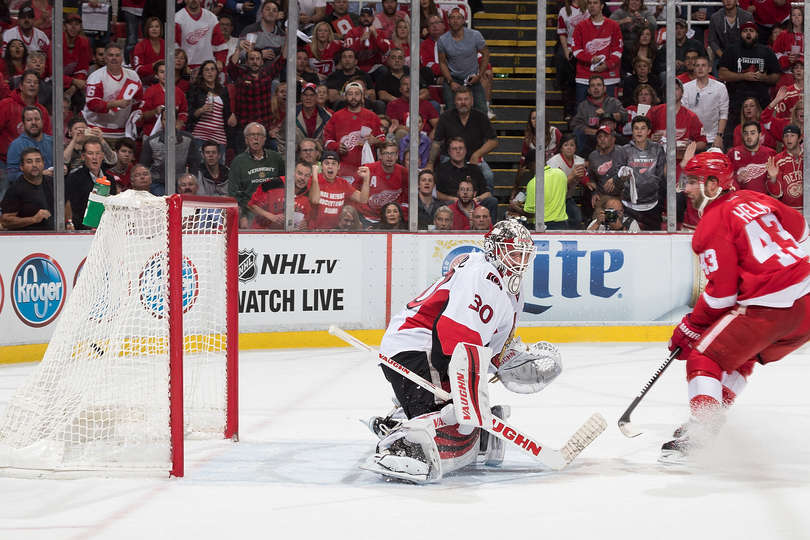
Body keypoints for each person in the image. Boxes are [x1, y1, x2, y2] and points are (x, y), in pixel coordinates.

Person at [365, 220, 557, 483]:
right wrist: (468, 401)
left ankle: (409, 417)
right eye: (513, 252)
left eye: (524, 254)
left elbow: (490, 346)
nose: (519, 261)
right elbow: (453, 339)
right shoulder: (484, 275)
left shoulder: (509, 288)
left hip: (431, 349)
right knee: (455, 423)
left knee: (463, 422)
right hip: (416, 349)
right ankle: (403, 444)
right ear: (494, 251)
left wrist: (513, 361)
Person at [663, 151, 810, 462]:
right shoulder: (755, 198)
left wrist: (692, 325)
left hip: (771, 306)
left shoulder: (712, 224)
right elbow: (800, 229)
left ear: (714, 184)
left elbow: (722, 295)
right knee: (742, 355)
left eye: (692, 181)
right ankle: (710, 418)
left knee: (704, 356)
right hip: (806, 303)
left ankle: (702, 432)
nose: (686, 188)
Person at [718, 21, 781, 148]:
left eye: (751, 31)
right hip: (736, 102)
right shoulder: (732, 49)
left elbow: (776, 76)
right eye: (745, 31)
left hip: (761, 102)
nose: (748, 33)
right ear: (740, 34)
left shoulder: (766, 51)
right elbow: (722, 74)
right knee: (733, 139)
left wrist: (764, 78)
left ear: (756, 34)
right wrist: (743, 76)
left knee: (765, 138)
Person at [430, 86, 498, 190]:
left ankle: (485, 204)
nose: (463, 102)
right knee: (445, 178)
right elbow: (436, 142)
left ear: (472, 101)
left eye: (466, 99)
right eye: (459, 99)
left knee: (488, 176)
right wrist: (430, 163)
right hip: (450, 157)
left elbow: (493, 141)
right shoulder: (445, 117)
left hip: (474, 158)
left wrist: (477, 154)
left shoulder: (481, 117)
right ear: (454, 102)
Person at [322, 81, 384, 180]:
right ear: (345, 97)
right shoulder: (337, 116)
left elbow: (382, 140)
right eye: (350, 94)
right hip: (342, 169)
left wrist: (375, 141)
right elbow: (327, 140)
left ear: (362, 96)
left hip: (366, 167)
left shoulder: (371, 116)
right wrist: (336, 146)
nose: (353, 97)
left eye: (357, 94)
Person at [82, 44, 143, 140]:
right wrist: (115, 103)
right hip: (96, 130)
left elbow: (138, 100)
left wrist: (135, 116)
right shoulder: (96, 77)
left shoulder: (133, 76)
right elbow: (92, 104)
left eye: (117, 55)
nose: (114, 58)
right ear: (105, 58)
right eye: (111, 55)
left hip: (122, 132)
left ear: (122, 58)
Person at [229, 122, 285, 226]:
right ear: (246, 140)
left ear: (264, 139)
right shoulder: (238, 162)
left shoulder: (276, 158)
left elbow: (284, 183)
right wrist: (242, 216)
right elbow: (234, 194)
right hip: (250, 213)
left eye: (259, 135)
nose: (256, 138)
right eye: (252, 135)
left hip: (275, 212)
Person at [437, 7, 490, 114]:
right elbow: (442, 62)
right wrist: (450, 81)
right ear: (448, 20)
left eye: (459, 18)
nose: (455, 20)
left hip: (472, 78)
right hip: (453, 78)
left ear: (463, 20)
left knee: (482, 111)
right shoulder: (442, 40)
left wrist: (479, 75)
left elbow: (486, 54)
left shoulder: (475, 35)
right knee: (450, 111)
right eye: (452, 17)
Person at [571, 0, 623, 102]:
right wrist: (590, 59)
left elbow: (618, 50)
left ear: (602, 6)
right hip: (585, 76)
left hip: (609, 76)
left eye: (595, 3)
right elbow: (576, 50)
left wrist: (607, 64)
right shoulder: (580, 26)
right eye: (589, 3)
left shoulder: (614, 26)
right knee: (582, 111)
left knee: (610, 111)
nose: (592, 6)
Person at [620, 115, 666, 230]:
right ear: (632, 131)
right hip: (628, 206)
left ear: (649, 131)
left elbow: (661, 174)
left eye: (642, 128)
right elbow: (620, 175)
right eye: (636, 128)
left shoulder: (657, 149)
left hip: (652, 204)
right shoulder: (624, 150)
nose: (639, 131)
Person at [434, 136, 497, 220]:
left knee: (492, 201)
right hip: (452, 204)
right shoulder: (441, 169)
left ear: (465, 150)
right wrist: (453, 199)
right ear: (449, 152)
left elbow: (487, 193)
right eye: (454, 149)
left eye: (461, 148)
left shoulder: (475, 169)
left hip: (474, 205)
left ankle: (490, 231)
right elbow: (436, 194)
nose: (458, 151)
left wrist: (476, 199)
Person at [247, 161, 319, 230]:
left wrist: (306, 224)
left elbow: (311, 220)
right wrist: (271, 216)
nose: (303, 178)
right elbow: (251, 205)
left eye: (307, 175)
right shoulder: (273, 184)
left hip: (290, 237)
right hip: (262, 233)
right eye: (299, 173)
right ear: (291, 173)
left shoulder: (310, 193)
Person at [65, 137, 117, 231]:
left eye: (97, 153)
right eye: (90, 153)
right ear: (83, 156)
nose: (94, 157)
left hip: (106, 230)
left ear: (102, 156)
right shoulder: (74, 178)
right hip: (81, 230)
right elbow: (72, 207)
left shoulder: (110, 180)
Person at [186, 59, 235, 158]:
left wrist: (231, 117)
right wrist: (201, 110)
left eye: (212, 69)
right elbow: (189, 114)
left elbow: (227, 113)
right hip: (200, 135)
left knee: (219, 168)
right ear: (202, 73)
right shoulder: (195, 90)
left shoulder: (223, 90)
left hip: (219, 136)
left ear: (217, 73)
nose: (210, 72)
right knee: (200, 167)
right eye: (206, 70)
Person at [570, 75, 627, 159]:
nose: (596, 88)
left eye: (599, 85)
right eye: (593, 86)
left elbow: (625, 116)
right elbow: (575, 125)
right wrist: (596, 132)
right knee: (578, 135)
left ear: (604, 88)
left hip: (611, 136)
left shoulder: (613, 102)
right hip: (591, 138)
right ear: (589, 90)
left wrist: (607, 115)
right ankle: (581, 161)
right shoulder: (583, 105)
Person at [310, 150, 369, 229]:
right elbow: (315, 200)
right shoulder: (314, 180)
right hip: (314, 231)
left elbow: (363, 199)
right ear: (321, 166)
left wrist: (366, 180)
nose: (330, 166)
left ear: (338, 167)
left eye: (334, 163)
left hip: (336, 231)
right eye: (326, 163)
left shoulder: (343, 183)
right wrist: (315, 176)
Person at [353, 141, 408, 225]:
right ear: (380, 156)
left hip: (391, 219)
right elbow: (353, 192)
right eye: (386, 153)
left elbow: (407, 199)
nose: (389, 157)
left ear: (397, 156)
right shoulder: (368, 169)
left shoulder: (404, 172)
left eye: (392, 153)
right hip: (368, 218)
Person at [682, 55, 729, 150]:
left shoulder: (720, 87)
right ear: (694, 69)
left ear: (709, 69)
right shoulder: (685, 88)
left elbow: (723, 114)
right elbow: (684, 114)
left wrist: (719, 136)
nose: (700, 68)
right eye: (697, 65)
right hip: (692, 139)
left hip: (714, 138)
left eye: (703, 65)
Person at [0, 147, 52, 230]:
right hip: (26, 238)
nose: (34, 165)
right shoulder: (15, 189)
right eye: (29, 162)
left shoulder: (52, 182)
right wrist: (33, 219)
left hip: (54, 236)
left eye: (38, 161)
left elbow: (66, 203)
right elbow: (5, 221)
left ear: (43, 164)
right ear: (21, 167)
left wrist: (68, 222)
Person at [140, 60, 189, 139]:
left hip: (174, 135)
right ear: (156, 75)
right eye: (162, 72)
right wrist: (155, 111)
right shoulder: (150, 91)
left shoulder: (179, 92)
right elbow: (142, 116)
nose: (165, 75)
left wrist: (180, 123)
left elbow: (184, 112)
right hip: (152, 135)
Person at [175, 0, 229, 70]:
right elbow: (174, 48)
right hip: (186, 67)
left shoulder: (211, 17)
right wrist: (181, 66)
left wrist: (220, 61)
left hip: (208, 66)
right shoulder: (177, 19)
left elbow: (219, 44)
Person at [726, 121, 775, 194]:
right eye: (746, 133)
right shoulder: (732, 153)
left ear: (759, 135)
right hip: (740, 200)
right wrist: (737, 179)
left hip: (763, 201)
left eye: (752, 133)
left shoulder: (770, 154)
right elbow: (725, 179)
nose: (749, 137)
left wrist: (773, 178)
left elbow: (776, 186)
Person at [6, 106, 52, 182]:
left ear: (42, 121)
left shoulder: (52, 141)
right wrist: (39, 174)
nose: (33, 122)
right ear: (23, 124)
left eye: (37, 119)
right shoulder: (16, 145)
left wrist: (64, 168)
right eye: (29, 120)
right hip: (27, 190)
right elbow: (12, 176)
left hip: (52, 189)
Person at [766, 124, 803, 210]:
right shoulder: (777, 160)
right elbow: (776, 194)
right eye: (786, 136)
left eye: (792, 136)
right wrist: (773, 179)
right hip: (788, 210)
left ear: (800, 138)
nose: (788, 139)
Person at [238, 0, 286, 67]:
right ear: (261, 12)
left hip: (273, 74)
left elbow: (285, 58)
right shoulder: (250, 30)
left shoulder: (283, 35)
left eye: (274, 10)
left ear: (278, 14)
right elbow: (241, 54)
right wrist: (260, 55)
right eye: (267, 9)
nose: (271, 12)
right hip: (250, 73)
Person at [520, 165, 569, 229]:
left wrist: (515, 207)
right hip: (563, 224)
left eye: (528, 167)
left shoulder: (533, 183)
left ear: (533, 164)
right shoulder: (561, 173)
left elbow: (530, 213)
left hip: (543, 226)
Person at [708, 0, 754, 65]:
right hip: (722, 55)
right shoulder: (715, 18)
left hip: (744, 56)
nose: (728, 1)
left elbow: (751, 39)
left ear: (736, 1)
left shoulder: (747, 17)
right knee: (718, 72)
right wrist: (723, 57)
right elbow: (712, 40)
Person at [131, 16, 165, 84]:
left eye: (157, 26)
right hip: (145, 82)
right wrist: (154, 65)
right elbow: (137, 69)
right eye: (151, 27)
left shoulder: (166, 44)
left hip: (165, 80)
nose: (154, 29)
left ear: (161, 29)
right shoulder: (140, 46)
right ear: (147, 29)